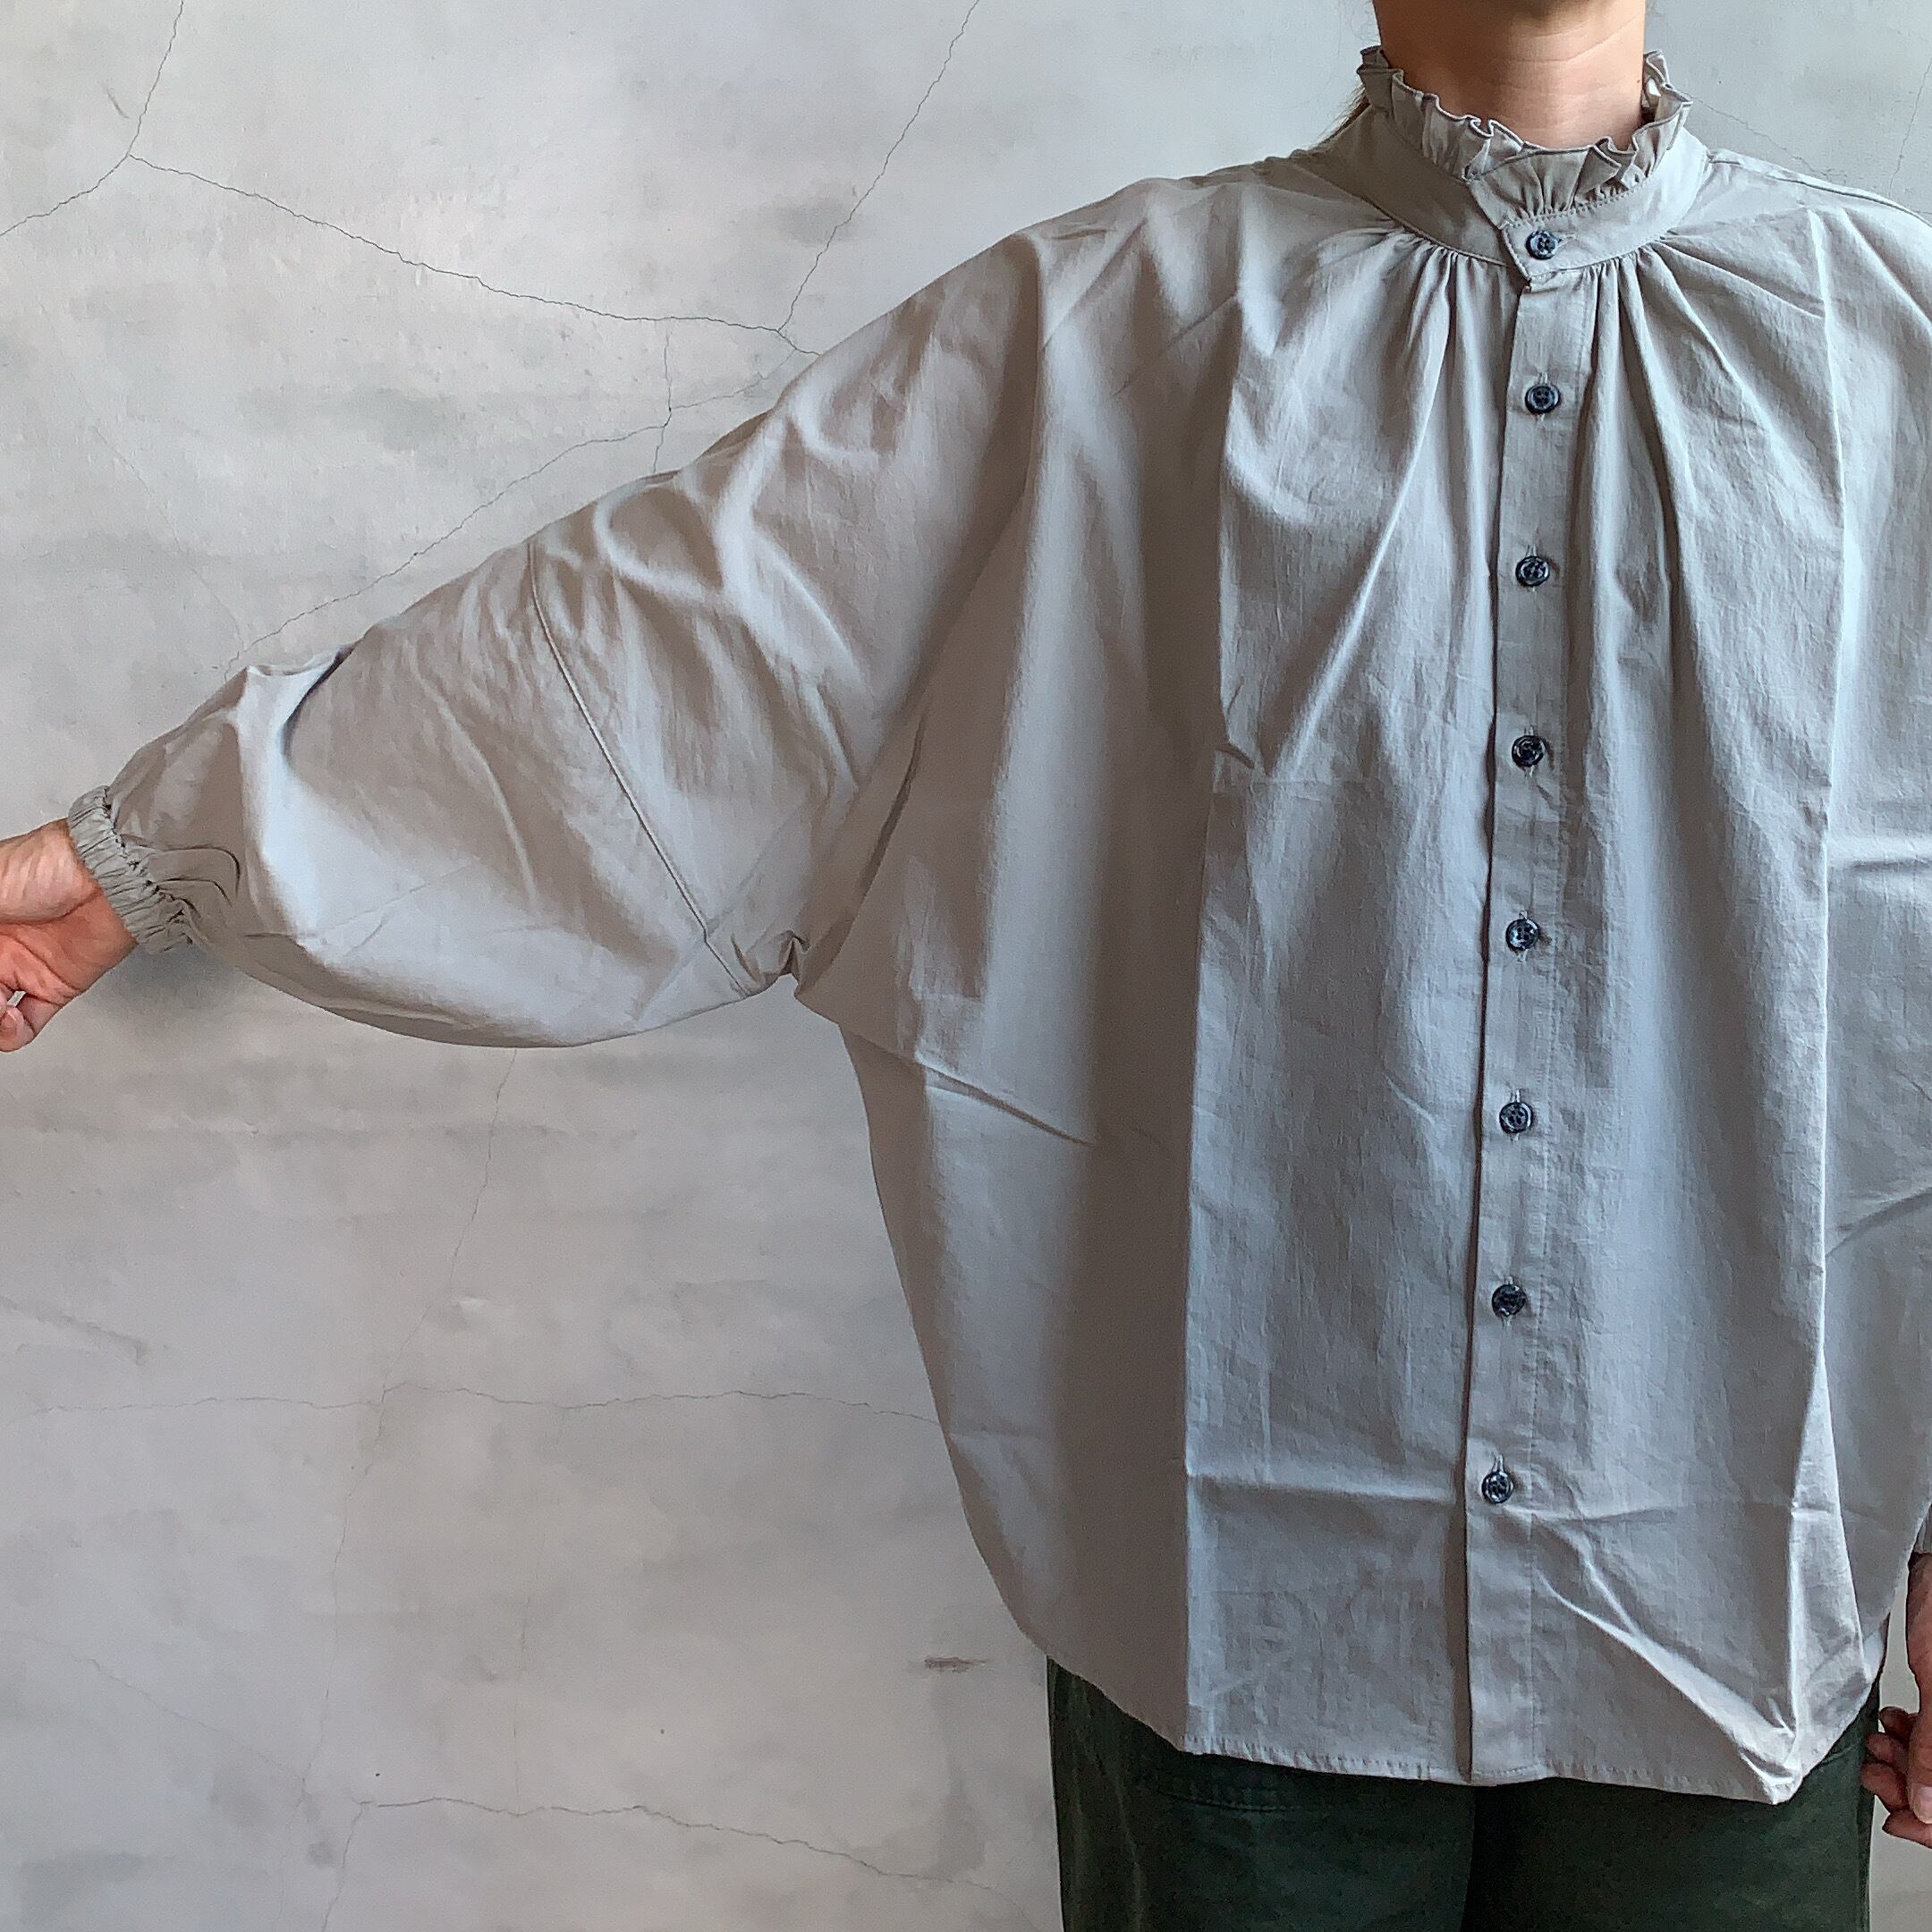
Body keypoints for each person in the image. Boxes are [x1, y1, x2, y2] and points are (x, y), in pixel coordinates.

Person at [4, 0, 1932, 1923]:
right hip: (1241, 1642)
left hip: (1731, 1606)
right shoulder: (1104, 331)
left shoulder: (1893, 349)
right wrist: (135, 863)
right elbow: (672, 658)